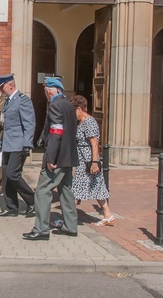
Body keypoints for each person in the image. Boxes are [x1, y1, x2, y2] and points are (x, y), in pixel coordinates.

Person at [23, 77, 78, 241]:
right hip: (68, 155)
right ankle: (70, 226)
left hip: (57, 156)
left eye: (46, 91)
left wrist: (50, 157)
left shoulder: (54, 105)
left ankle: (41, 229)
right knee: (66, 190)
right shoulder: (68, 104)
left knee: (42, 190)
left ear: (49, 91)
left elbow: (56, 132)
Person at [68, 95, 115, 227]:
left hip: (87, 160)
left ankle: (68, 218)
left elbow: (94, 143)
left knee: (76, 189)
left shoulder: (89, 122)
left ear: (79, 109)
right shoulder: (81, 122)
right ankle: (108, 215)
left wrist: (94, 163)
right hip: (82, 158)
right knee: (97, 187)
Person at [0, 74, 36, 218]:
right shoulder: (7, 102)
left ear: (10, 85)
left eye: (2, 87)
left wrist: (27, 144)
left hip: (18, 144)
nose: (0, 90)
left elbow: (29, 123)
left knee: (13, 174)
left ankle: (32, 200)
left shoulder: (22, 101)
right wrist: (1, 142)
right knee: (6, 176)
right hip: (8, 143)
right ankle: (11, 207)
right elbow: (6, 126)